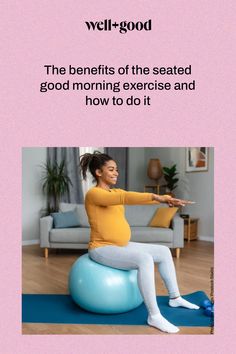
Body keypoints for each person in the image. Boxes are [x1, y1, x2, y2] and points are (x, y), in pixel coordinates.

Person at [79, 151, 199, 334]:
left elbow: (129, 197)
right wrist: (157, 197)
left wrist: (166, 199)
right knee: (144, 259)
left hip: (121, 245)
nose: (116, 173)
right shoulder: (93, 194)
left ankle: (175, 297)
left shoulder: (116, 191)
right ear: (98, 172)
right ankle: (154, 315)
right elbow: (124, 198)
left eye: (117, 170)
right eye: (111, 169)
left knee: (164, 251)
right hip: (102, 248)